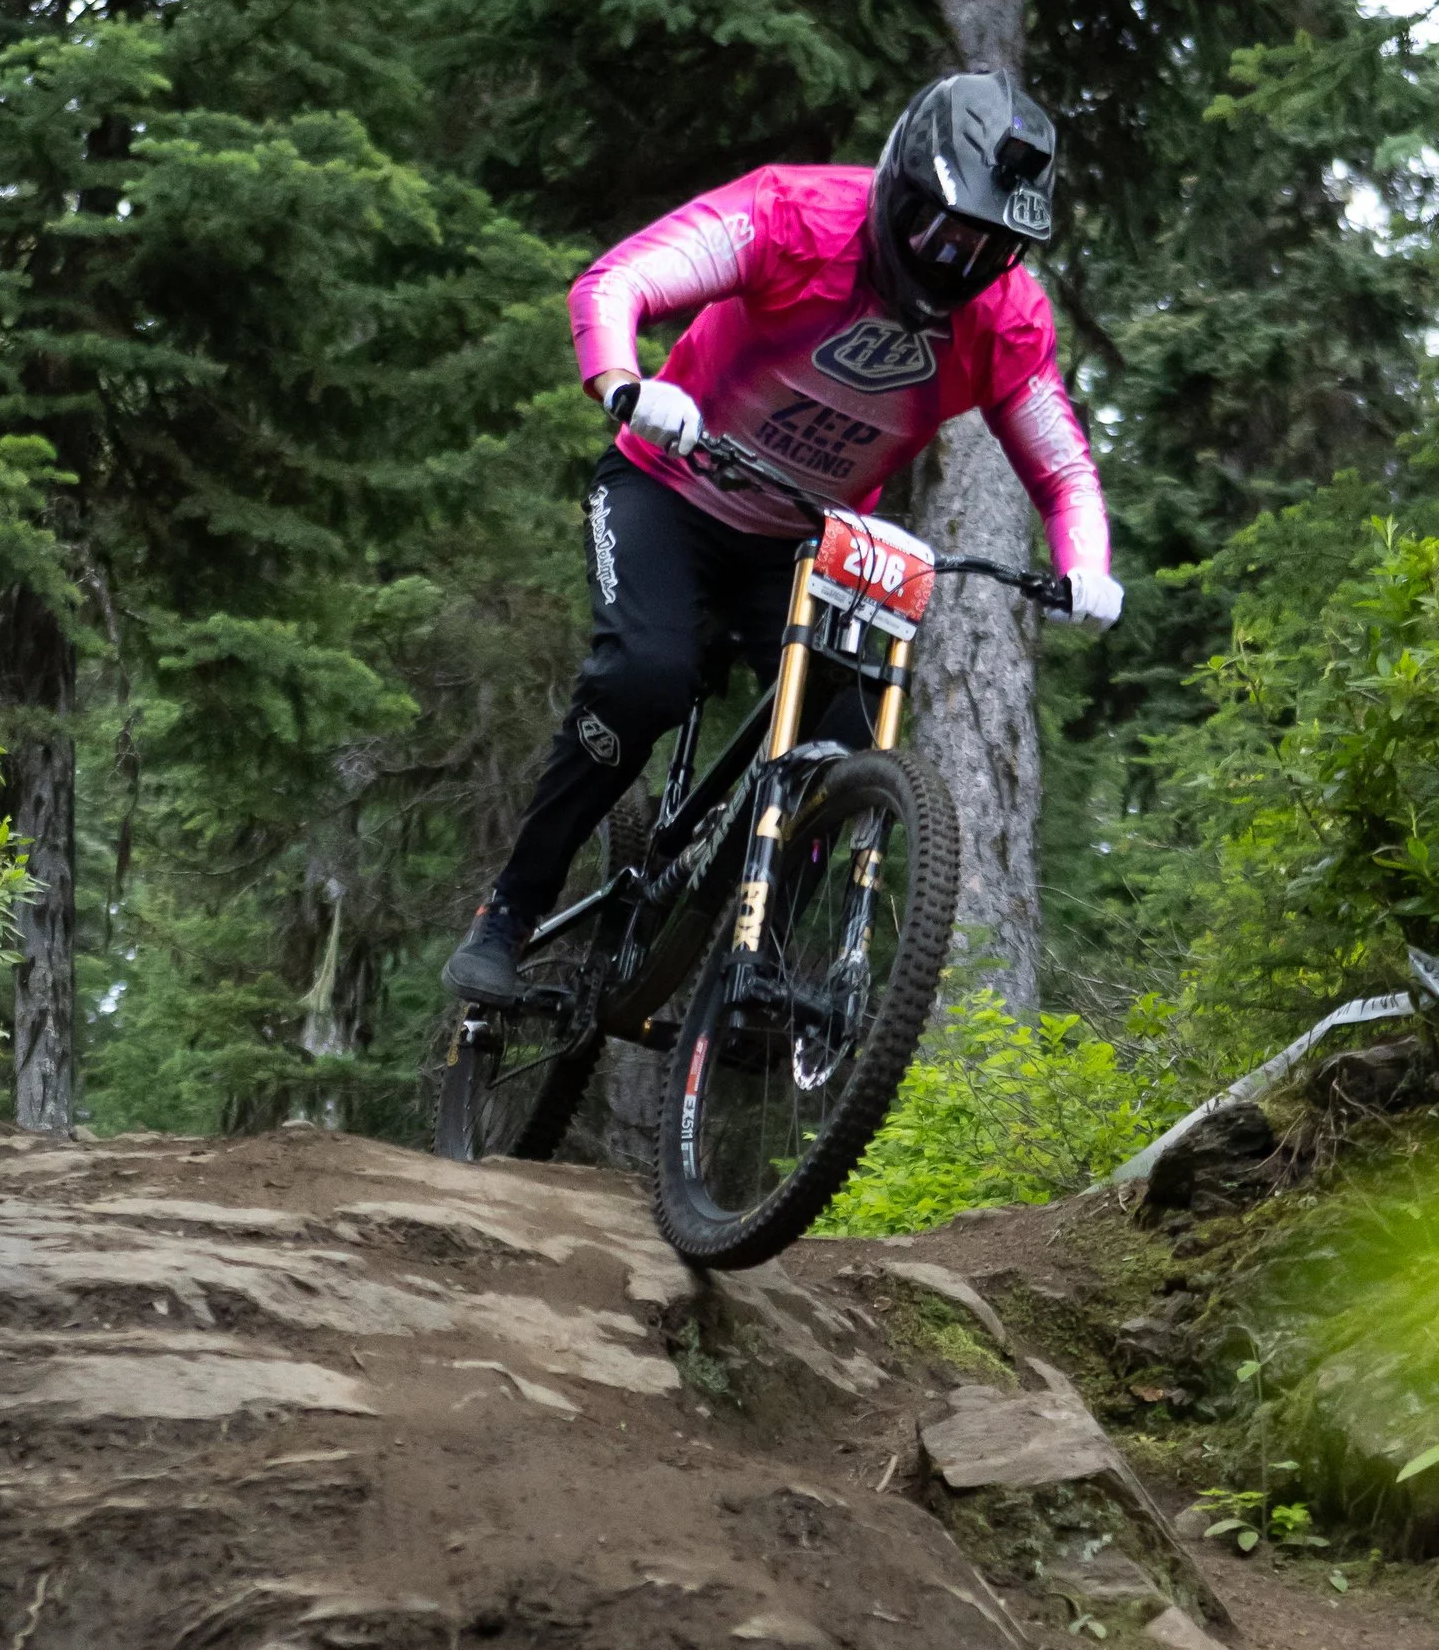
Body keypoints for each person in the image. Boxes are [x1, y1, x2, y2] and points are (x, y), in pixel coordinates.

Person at [443, 69, 1123, 1007]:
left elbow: (1062, 466)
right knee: (644, 676)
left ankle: (753, 965)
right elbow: (620, 281)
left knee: (842, 746)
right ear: (900, 193)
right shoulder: (792, 215)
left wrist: (1084, 565)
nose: (957, 262)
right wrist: (627, 383)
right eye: (941, 230)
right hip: (666, 494)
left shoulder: (1006, 321)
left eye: (990, 247)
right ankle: (509, 916)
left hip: (802, 542)